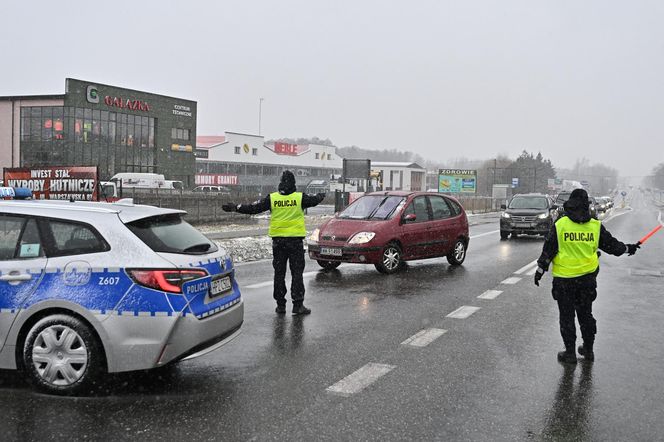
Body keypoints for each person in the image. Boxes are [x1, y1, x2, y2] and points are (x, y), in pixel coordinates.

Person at [534, 188, 640, 363]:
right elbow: (612, 246)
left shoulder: (561, 225)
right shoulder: (595, 226)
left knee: (567, 317)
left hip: (564, 281)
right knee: (585, 315)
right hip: (586, 280)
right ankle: (588, 350)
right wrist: (629, 248)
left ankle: (569, 353)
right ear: (586, 205)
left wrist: (540, 270)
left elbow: (549, 250)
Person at [222, 170, 325, 315]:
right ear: (294, 183)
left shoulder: (272, 198)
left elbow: (253, 208)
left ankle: (280, 305)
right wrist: (321, 196)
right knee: (297, 274)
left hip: (278, 243)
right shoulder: (299, 198)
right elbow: (314, 200)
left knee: (279, 273)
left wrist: (236, 207)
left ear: (281, 183)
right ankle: (297, 305)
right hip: (295, 242)